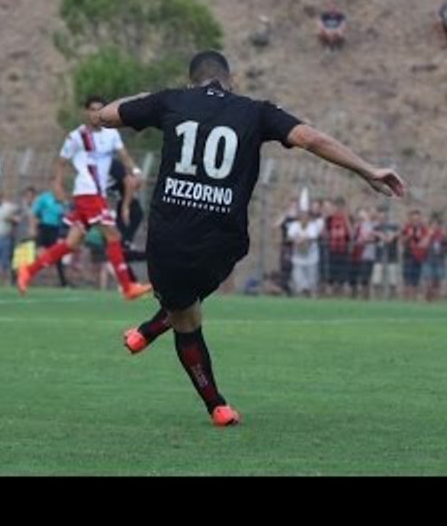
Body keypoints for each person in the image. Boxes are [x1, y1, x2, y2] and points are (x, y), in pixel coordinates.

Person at [99, 50, 406, 427]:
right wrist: (367, 169)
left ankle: (217, 406)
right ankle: (149, 331)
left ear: (191, 80)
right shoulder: (255, 110)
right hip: (223, 242)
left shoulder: (172, 100)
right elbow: (309, 137)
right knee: (188, 302)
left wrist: (146, 97)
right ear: (232, 80)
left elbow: (106, 115)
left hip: (169, 238)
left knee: (185, 317)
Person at [17, 96, 151, 300]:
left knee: (71, 244)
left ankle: (28, 270)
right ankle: (127, 287)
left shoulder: (111, 134)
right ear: (86, 112)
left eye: (100, 110)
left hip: (97, 195)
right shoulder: (77, 136)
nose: (96, 114)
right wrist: (57, 185)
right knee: (113, 236)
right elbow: (61, 162)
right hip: (87, 194)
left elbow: (124, 156)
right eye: (92, 110)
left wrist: (135, 170)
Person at [30, 185, 70, 288]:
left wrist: (62, 204)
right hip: (44, 228)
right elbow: (34, 213)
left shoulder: (62, 201)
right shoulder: (44, 198)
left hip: (55, 229)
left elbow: (66, 215)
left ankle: (63, 282)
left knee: (56, 256)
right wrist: (32, 228)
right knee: (38, 253)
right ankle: (28, 277)